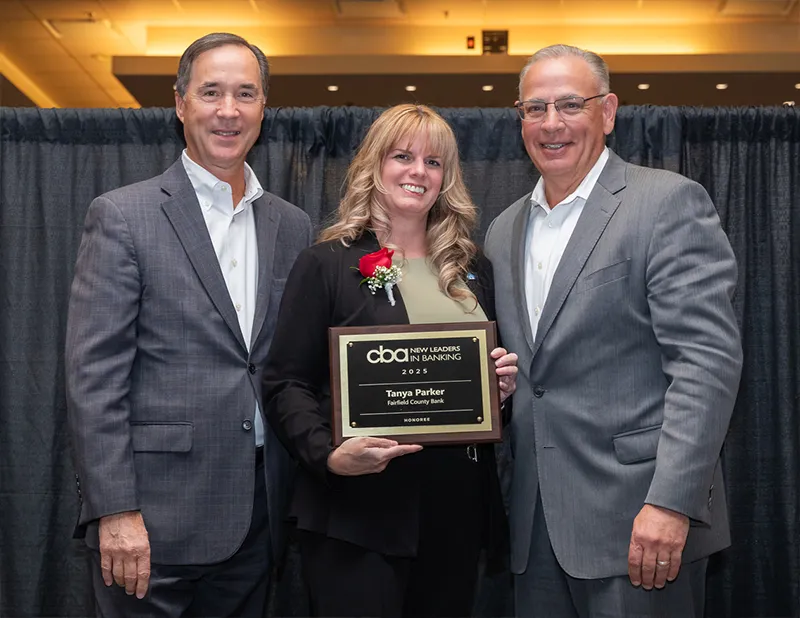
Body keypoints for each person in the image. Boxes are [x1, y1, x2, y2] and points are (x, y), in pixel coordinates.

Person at [484, 44, 743, 617]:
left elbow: (705, 365)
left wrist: (671, 504)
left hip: (640, 524)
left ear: (608, 111)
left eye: (570, 104)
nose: (552, 123)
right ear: (520, 120)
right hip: (535, 528)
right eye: (535, 109)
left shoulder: (666, 202)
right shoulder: (503, 231)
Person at [65, 32, 312, 617]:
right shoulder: (124, 215)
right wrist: (115, 510)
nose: (228, 111)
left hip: (259, 515)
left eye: (245, 94)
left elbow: (287, 364)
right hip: (151, 522)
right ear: (180, 104)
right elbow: (92, 377)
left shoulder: (292, 225)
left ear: (263, 107)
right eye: (211, 93)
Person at [261, 103, 517, 617]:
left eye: (434, 162)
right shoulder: (328, 263)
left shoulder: (471, 267)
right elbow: (285, 382)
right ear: (375, 166)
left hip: (453, 509)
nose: (418, 171)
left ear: (447, 178)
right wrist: (329, 456)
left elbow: (485, 391)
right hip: (357, 511)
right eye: (403, 156)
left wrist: (499, 391)